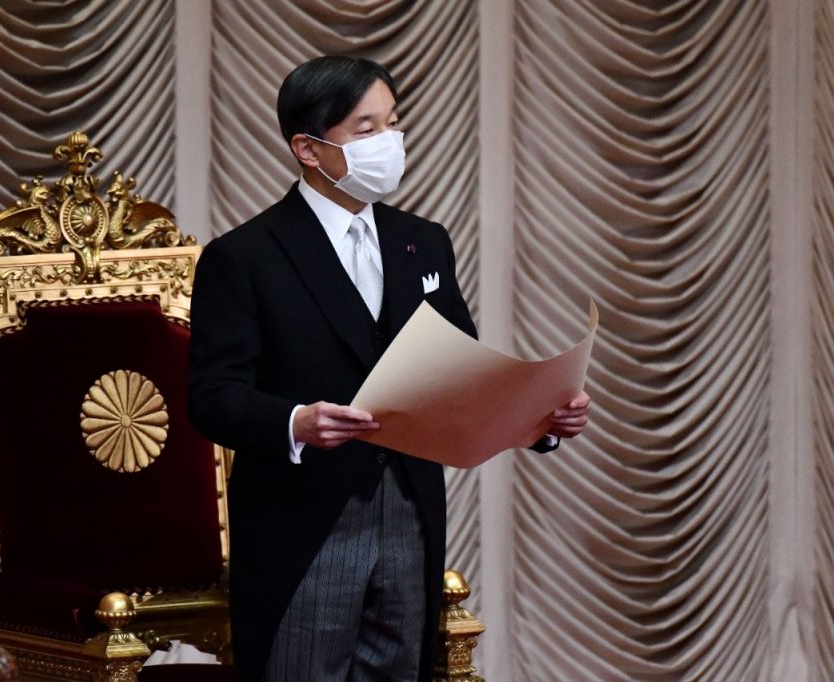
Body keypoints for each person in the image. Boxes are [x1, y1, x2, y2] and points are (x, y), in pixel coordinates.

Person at [187, 55, 590, 682]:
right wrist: (296, 422)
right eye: (365, 128)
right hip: (305, 519)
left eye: (393, 123)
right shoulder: (243, 256)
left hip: (410, 510)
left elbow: (464, 374)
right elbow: (212, 396)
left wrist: (544, 418)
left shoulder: (424, 241)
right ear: (308, 149)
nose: (389, 143)